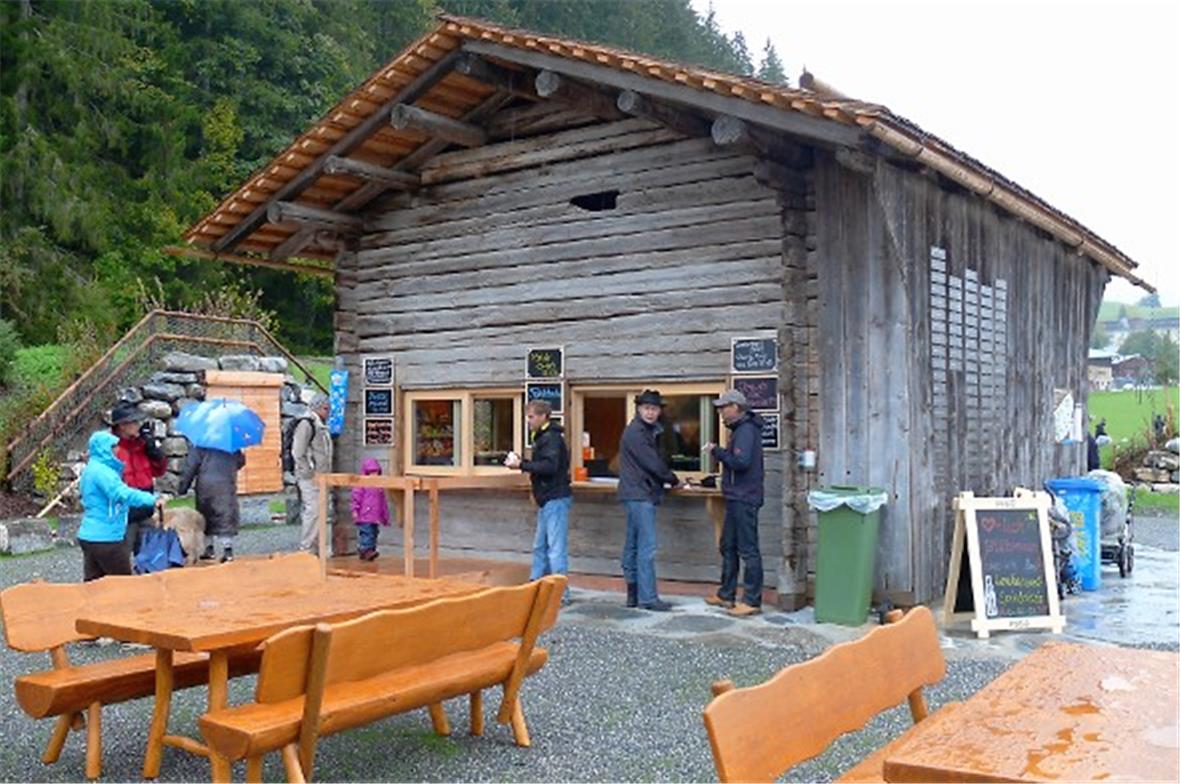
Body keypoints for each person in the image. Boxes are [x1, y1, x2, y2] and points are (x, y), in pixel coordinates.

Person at [703, 389, 766, 617]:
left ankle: (752, 600)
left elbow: (741, 462)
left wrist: (716, 452)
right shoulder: (739, 429)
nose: (720, 411)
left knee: (748, 550)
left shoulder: (746, 430)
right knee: (728, 546)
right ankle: (726, 594)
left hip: (745, 497)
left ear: (736, 407)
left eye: (723, 407)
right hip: (736, 496)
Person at [617, 389, 680, 612]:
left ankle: (633, 594)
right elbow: (653, 463)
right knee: (647, 547)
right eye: (647, 408)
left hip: (636, 492)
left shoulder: (645, 430)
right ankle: (648, 598)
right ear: (639, 409)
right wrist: (673, 479)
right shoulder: (636, 432)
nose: (651, 412)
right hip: (640, 493)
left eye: (654, 409)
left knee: (633, 545)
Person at [506, 399, 573, 604]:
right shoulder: (543, 436)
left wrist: (522, 465)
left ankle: (560, 592)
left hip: (555, 497)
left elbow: (549, 467)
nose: (528, 421)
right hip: (547, 498)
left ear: (544, 416)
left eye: (531, 416)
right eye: (527, 417)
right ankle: (537, 584)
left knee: (555, 547)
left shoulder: (551, 438)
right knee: (540, 545)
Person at [78, 430, 159, 581]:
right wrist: (151, 499)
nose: (117, 449)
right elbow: (121, 493)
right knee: (123, 585)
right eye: (113, 446)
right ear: (104, 448)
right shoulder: (104, 472)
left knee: (93, 584)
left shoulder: (92, 469)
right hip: (107, 537)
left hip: (89, 535)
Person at [109, 402, 167, 558]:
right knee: (122, 559)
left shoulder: (141, 445)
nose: (138, 426)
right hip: (124, 514)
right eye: (134, 422)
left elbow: (159, 471)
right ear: (122, 426)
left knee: (150, 558)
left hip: (145, 510)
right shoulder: (112, 449)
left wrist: (154, 451)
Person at [176, 444, 245, 562]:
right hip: (226, 485)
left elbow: (190, 467)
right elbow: (240, 462)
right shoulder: (230, 445)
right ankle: (227, 549)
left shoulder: (200, 446)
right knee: (225, 515)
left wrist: (182, 488)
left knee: (205, 517)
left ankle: (209, 548)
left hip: (205, 487)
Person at [292, 393, 333, 554]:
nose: (328, 412)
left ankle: (317, 547)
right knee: (313, 510)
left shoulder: (320, 424)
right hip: (310, 477)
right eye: (325, 408)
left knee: (320, 511)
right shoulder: (306, 424)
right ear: (317, 407)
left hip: (321, 477)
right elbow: (298, 451)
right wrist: (309, 472)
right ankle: (306, 547)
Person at [350, 458, 390, 561]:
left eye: (376, 472)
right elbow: (356, 498)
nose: (374, 475)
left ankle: (369, 550)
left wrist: (385, 516)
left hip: (375, 516)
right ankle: (366, 550)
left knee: (374, 533)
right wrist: (355, 510)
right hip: (364, 515)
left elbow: (383, 503)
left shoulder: (379, 487)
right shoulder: (361, 484)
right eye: (371, 472)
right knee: (367, 533)